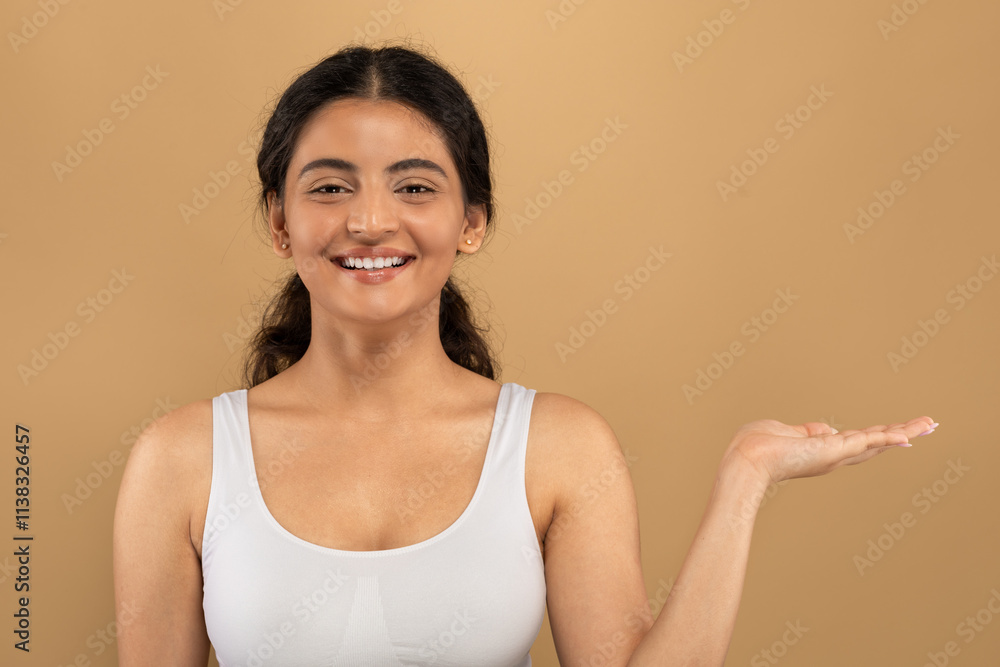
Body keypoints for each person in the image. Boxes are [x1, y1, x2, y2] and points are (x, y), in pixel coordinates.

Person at [112, 43, 937, 666]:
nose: (369, 221)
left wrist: (747, 475)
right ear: (280, 220)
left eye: (414, 186)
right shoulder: (179, 460)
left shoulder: (560, 447)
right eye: (330, 186)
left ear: (472, 221)